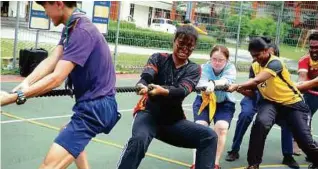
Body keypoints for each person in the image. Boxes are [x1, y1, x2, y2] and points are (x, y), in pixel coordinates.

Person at [1, 1, 120, 168]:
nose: (45, 13)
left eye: (45, 7)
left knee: (48, 167)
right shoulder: (71, 27)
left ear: (58, 4)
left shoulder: (81, 31)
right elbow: (52, 60)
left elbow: (56, 78)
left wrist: (13, 97)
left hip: (96, 108)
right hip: (93, 105)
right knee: (66, 131)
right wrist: (25, 83)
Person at [116, 25, 218, 169]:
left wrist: (161, 90)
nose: (185, 49)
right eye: (181, 44)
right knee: (139, 140)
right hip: (148, 115)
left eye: (190, 46)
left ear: (194, 47)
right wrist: (141, 85)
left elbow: (182, 90)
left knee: (209, 136)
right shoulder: (158, 58)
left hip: (172, 122)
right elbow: (146, 76)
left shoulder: (194, 69)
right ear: (174, 41)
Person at [227, 37, 318, 169]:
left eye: (258, 55)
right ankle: (253, 164)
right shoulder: (254, 65)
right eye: (253, 56)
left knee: (304, 139)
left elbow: (256, 81)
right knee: (260, 124)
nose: (256, 58)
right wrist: (238, 89)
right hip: (270, 103)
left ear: (265, 51)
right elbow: (253, 90)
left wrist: (237, 85)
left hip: (292, 103)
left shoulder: (276, 63)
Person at [191, 45, 236, 169]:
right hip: (204, 101)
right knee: (200, 127)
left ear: (227, 60)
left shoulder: (231, 68)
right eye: (214, 59)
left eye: (220, 60)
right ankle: (196, 162)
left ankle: (214, 163)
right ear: (210, 58)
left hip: (224, 103)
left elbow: (227, 80)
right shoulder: (204, 68)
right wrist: (207, 85)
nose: (216, 62)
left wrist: (214, 83)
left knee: (221, 127)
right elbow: (201, 82)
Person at [296, 32, 318, 160]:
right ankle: (311, 150)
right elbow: (302, 78)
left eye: (317, 47)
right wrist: (302, 85)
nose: (314, 50)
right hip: (311, 94)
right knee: (304, 120)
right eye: (311, 47)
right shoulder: (304, 60)